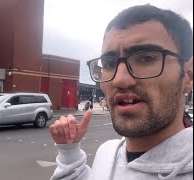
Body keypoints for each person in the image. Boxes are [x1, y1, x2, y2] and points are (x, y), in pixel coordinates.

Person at [50, 5, 193, 180]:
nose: (120, 79)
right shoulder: (107, 153)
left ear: (188, 76)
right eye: (109, 63)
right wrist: (69, 152)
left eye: (146, 58)